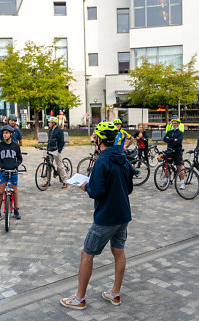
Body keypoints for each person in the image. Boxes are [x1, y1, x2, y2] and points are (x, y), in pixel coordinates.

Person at [60, 121, 134, 310]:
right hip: (123, 214)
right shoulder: (122, 157)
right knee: (119, 251)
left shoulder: (102, 160)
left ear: (100, 139)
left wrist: (85, 185)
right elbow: (130, 188)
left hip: (106, 217)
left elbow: (96, 191)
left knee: (87, 254)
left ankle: (80, 298)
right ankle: (115, 294)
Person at [0, 125, 23, 223]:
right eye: (3, 133)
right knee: (0, 192)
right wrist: (0, 164)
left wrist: (16, 164)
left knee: (15, 191)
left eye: (6, 133)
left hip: (13, 171)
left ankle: (16, 210)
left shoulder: (15, 146)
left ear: (11, 134)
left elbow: (20, 158)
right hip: (3, 171)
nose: (4, 135)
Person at [0, 114, 23, 200]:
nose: (13, 122)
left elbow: (21, 142)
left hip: (13, 153)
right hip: (4, 153)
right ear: (8, 120)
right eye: (11, 120)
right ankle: (0, 191)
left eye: (14, 120)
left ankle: (12, 191)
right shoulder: (2, 130)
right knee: (3, 174)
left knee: (13, 175)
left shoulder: (17, 131)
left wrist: (14, 147)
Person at [163, 118, 186, 189]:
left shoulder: (180, 133)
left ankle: (182, 182)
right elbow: (164, 139)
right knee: (167, 165)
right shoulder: (169, 132)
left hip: (177, 151)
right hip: (169, 150)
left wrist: (169, 140)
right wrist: (173, 139)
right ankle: (166, 181)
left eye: (176, 123)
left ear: (178, 124)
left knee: (179, 167)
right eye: (173, 123)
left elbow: (178, 142)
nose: (174, 124)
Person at [45, 116, 68, 188]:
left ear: (54, 123)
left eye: (49, 122)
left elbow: (62, 141)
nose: (48, 123)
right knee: (48, 166)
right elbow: (49, 141)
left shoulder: (59, 131)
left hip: (56, 150)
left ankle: (64, 181)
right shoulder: (50, 131)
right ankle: (48, 181)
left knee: (60, 166)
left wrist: (59, 150)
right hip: (50, 150)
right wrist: (47, 148)